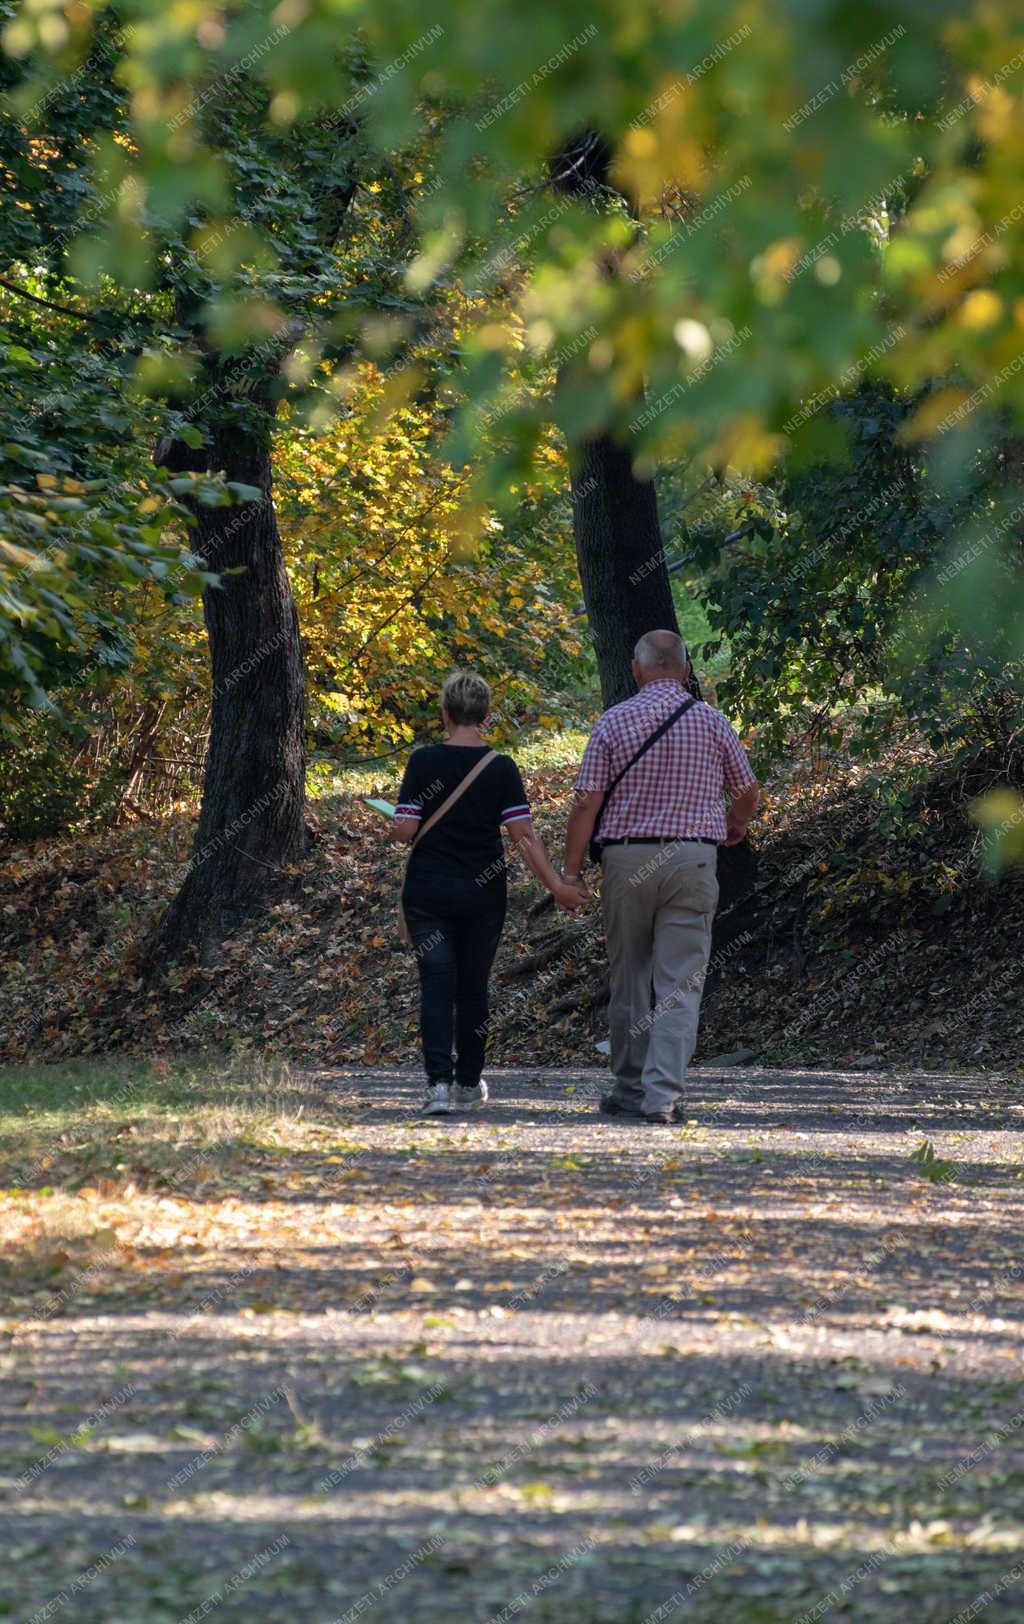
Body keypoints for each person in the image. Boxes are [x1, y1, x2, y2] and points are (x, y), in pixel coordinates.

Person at [561, 630, 759, 1124]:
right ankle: (662, 1097)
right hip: (693, 859)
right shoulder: (712, 721)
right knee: (679, 983)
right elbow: (747, 790)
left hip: (627, 861)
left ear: (636, 669)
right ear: (687, 670)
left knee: (629, 976)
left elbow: (586, 802)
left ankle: (630, 1090)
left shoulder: (613, 721)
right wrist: (735, 824)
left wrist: (570, 871)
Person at [384, 670, 586, 1116]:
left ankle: (437, 1086)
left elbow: (406, 830)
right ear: (486, 716)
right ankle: (468, 1082)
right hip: (482, 893)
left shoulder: (422, 762)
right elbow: (524, 837)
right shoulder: (501, 768)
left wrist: (393, 825)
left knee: (436, 984)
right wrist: (557, 886)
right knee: (473, 986)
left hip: (428, 891)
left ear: (445, 714)